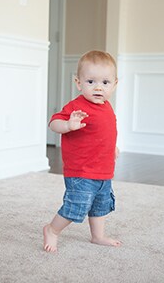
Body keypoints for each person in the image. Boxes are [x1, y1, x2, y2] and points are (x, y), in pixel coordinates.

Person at [43, 50, 121, 252]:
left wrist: (112, 147)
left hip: (103, 170)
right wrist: (68, 125)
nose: (98, 87)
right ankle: (52, 230)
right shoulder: (76, 106)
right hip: (81, 170)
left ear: (114, 84)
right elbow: (54, 123)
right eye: (90, 81)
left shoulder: (107, 107)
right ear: (78, 83)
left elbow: (105, 132)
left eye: (105, 82)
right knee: (76, 205)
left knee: (100, 205)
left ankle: (98, 235)